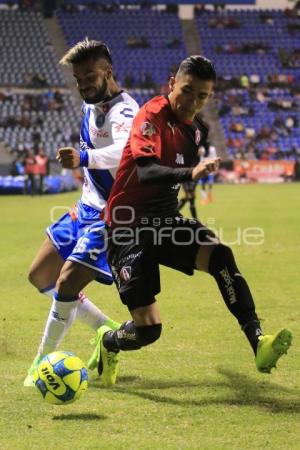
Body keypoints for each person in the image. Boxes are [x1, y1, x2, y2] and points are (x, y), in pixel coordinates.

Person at [89, 55, 292, 381]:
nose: (192, 102)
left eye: (202, 96)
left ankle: (259, 342)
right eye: (187, 91)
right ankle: (108, 340)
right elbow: (147, 170)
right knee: (149, 331)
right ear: (173, 84)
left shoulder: (197, 130)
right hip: (126, 228)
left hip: (165, 222)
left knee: (221, 255)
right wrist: (191, 172)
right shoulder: (151, 115)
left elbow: (172, 179)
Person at [23, 38, 139, 387]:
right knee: (39, 275)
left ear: (108, 71)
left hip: (112, 216)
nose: (83, 84)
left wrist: (84, 157)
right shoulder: (91, 104)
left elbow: (124, 151)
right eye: (78, 78)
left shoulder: (125, 110)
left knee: (65, 282)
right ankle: (109, 330)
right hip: (86, 206)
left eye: (89, 75)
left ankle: (41, 364)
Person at [199, 141, 217, 205]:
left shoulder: (212, 149)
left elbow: (214, 158)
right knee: (202, 184)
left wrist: (215, 168)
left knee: (210, 183)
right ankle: (204, 198)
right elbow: (200, 158)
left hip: (210, 168)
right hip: (203, 168)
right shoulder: (201, 149)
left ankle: (210, 197)